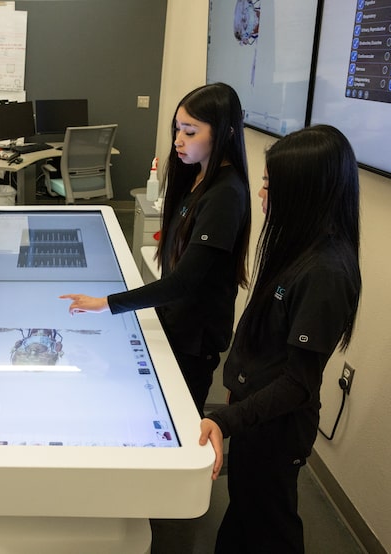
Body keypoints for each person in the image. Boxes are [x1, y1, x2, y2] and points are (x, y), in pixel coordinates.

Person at [199, 124, 362, 553]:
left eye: (270, 185)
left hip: (277, 426)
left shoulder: (326, 272)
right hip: (256, 413)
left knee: (270, 525)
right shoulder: (299, 247)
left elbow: (297, 383)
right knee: (245, 513)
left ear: (304, 192)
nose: (261, 194)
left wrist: (225, 419)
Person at [61, 82, 251, 415]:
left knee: (180, 415)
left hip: (195, 334)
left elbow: (185, 281)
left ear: (224, 133)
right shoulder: (196, 176)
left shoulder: (226, 195)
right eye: (178, 129)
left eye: (190, 132)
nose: (178, 140)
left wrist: (106, 303)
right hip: (176, 318)